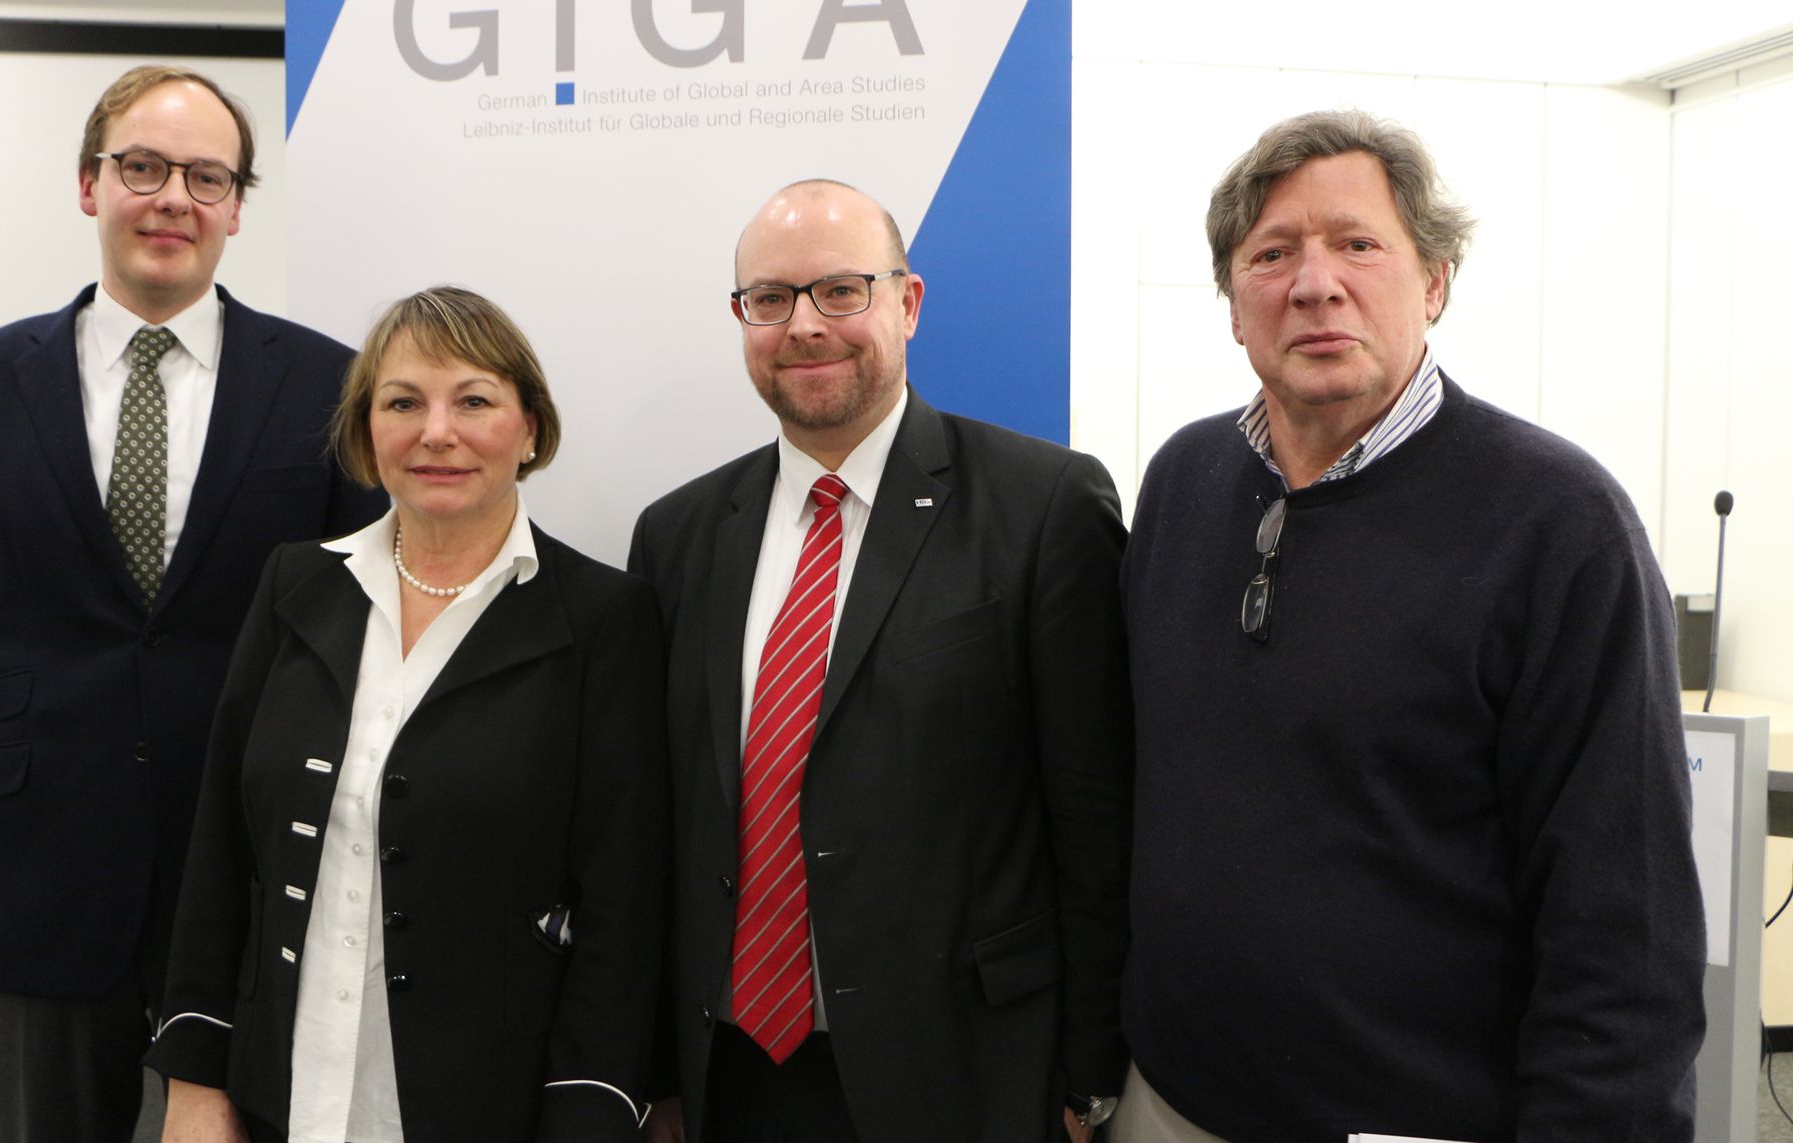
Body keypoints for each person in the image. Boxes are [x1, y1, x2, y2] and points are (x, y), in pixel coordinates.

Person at [1116, 109, 1706, 1142]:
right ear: (1233, 305)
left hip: (1412, 1124)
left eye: (1357, 244)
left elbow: (1626, 919)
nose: (1314, 284)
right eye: (1271, 254)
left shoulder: (1559, 526)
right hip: (1166, 1103)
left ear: (1434, 282)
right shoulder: (1183, 482)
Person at [0, 64, 387, 1140]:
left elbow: (360, 652)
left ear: (237, 206)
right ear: (88, 185)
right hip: (34, 870)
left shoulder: (326, 387)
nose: (173, 199)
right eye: (143, 167)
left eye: (207, 176)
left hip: (253, 871)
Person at [629, 179, 1132, 1143]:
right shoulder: (678, 534)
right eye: (770, 299)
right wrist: (658, 1072)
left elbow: (1097, 815)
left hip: (968, 1071)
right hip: (732, 1073)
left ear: (908, 302)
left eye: (840, 290)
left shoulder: (1044, 506)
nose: (804, 325)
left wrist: (1091, 1070)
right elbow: (661, 826)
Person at [147, 286, 667, 1143]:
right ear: (365, 431)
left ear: (530, 428)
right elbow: (222, 851)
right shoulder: (294, 586)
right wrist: (196, 1078)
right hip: (284, 1092)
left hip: (492, 1108)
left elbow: (623, 901)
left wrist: (591, 1108)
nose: (437, 432)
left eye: (474, 400)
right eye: (402, 403)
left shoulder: (604, 617)